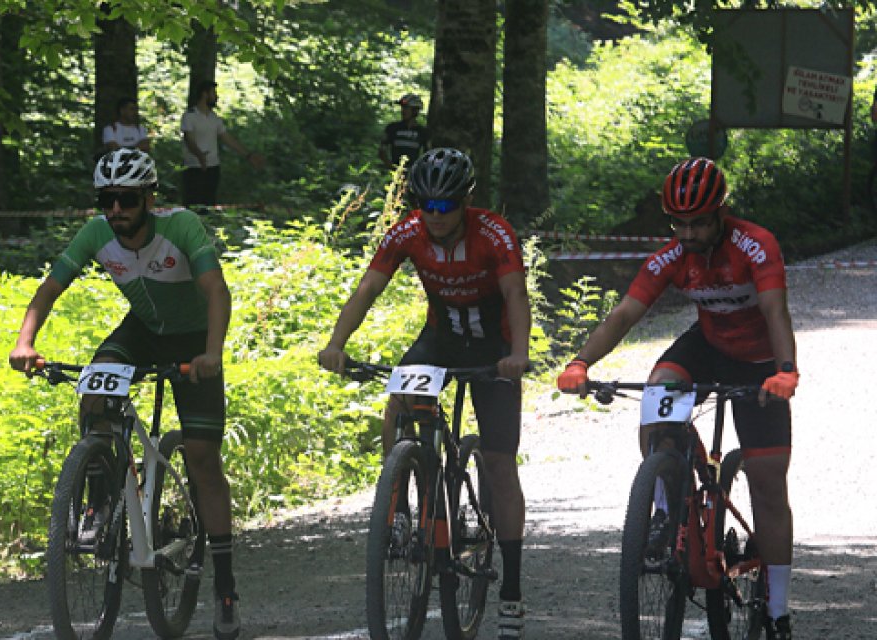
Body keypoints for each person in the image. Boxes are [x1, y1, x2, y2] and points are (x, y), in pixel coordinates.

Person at [556, 157, 799, 639]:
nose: (688, 233)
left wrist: (786, 371)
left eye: (699, 222)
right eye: (679, 223)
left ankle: (777, 608)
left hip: (757, 359)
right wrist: (581, 362)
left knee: (769, 483)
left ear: (721, 213)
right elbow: (625, 313)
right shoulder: (673, 256)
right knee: (658, 389)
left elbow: (775, 311)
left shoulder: (755, 244)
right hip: (708, 346)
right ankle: (664, 510)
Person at [8, 148, 242, 639]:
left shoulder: (181, 227)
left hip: (196, 340)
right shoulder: (97, 234)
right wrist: (25, 342)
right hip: (143, 330)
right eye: (107, 199)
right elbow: (49, 289)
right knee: (94, 390)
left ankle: (224, 586)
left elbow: (216, 292)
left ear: (149, 199)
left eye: (127, 199)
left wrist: (212, 353)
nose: (116, 210)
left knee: (202, 459)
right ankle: (97, 505)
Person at [318, 147, 532, 639]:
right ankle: (396, 499)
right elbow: (369, 287)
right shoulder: (408, 231)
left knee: (499, 464)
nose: (435, 217)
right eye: (426, 206)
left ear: (465, 201)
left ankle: (512, 592)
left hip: (493, 345)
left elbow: (516, 294)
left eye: (445, 207)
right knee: (399, 391)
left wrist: (518, 353)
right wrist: (336, 343)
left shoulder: (494, 233)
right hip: (441, 338)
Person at [180, 81, 264, 207]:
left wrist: (249, 155)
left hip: (213, 168)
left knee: (209, 204)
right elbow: (189, 140)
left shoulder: (215, 118)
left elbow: (227, 139)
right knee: (193, 205)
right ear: (204, 94)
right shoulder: (189, 116)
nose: (216, 96)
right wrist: (200, 156)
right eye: (213, 93)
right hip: (194, 168)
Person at [378, 93, 429, 172]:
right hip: (394, 173)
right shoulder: (392, 128)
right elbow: (382, 150)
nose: (402, 111)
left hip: (413, 175)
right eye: (402, 108)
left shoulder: (422, 132)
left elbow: (428, 154)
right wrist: (390, 166)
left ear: (415, 110)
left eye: (406, 108)